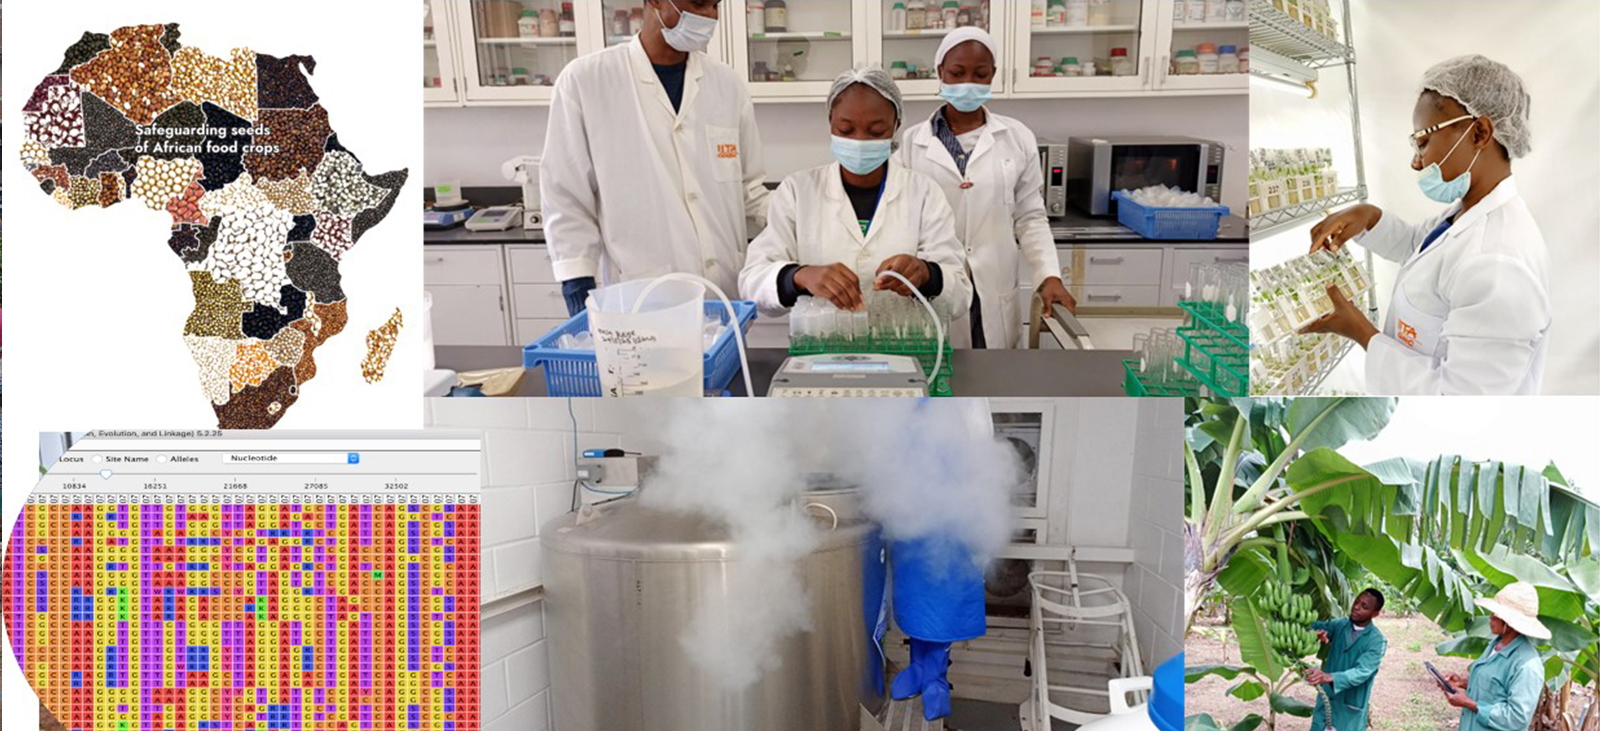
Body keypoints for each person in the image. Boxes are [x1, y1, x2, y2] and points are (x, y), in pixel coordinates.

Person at [1301, 55, 1548, 395]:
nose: (1416, 163)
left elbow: (1462, 399)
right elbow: (1420, 247)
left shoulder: (1497, 262)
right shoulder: (1468, 212)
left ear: (1479, 133)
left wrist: (1362, 333)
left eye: (1422, 142)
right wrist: (1368, 217)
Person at [541, 0, 770, 315]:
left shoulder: (727, 84)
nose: (710, 16)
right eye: (699, 3)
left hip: (725, 300)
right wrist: (577, 288)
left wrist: (810, 219)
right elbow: (566, 198)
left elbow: (749, 188)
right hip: (641, 304)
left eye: (715, 5)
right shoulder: (586, 81)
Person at [739, 67, 972, 322]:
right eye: (846, 129)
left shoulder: (924, 193)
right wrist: (799, 276)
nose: (860, 140)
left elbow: (960, 295)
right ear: (831, 122)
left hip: (904, 343)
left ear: (895, 126)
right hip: (824, 344)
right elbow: (752, 281)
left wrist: (927, 274)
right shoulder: (797, 191)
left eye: (876, 131)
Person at [897, 28, 1074, 348]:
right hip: (937, 285)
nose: (968, 83)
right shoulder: (911, 144)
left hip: (995, 287)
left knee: (994, 373)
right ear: (940, 72)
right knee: (939, 371)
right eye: (957, 73)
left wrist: (1049, 275)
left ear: (993, 74)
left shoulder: (1017, 137)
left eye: (980, 74)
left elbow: (1030, 217)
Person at [1440, 582, 1548, 731]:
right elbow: (1495, 687)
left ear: (1510, 622)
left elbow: (1517, 719)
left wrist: (1469, 704)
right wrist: (1462, 682)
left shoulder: (1527, 666)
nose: (1490, 617)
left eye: (1496, 615)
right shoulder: (1496, 645)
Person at [1304, 588, 1388, 731]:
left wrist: (1328, 677)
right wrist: (1313, 632)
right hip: (1328, 700)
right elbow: (1319, 626)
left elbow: (1361, 671)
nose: (1356, 607)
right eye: (1357, 602)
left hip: (1349, 708)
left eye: (1364, 606)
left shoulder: (1376, 641)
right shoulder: (1341, 625)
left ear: (1374, 614)